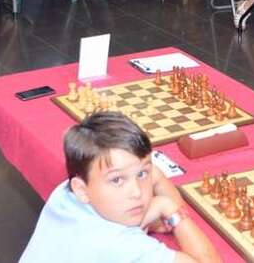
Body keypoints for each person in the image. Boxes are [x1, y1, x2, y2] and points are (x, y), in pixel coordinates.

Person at [19, 112, 220, 263]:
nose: (137, 192)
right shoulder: (122, 246)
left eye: (142, 174)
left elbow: (155, 175)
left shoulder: (67, 193)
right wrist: (171, 211)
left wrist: (157, 205)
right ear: (81, 189)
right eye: (116, 180)